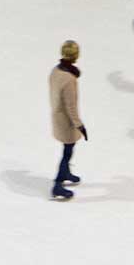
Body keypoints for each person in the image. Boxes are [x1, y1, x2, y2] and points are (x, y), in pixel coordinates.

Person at [49, 41, 88, 200]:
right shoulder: (69, 79)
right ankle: (58, 184)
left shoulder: (55, 71)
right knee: (68, 151)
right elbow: (71, 106)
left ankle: (66, 173)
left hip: (57, 115)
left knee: (68, 148)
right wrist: (79, 125)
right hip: (66, 121)